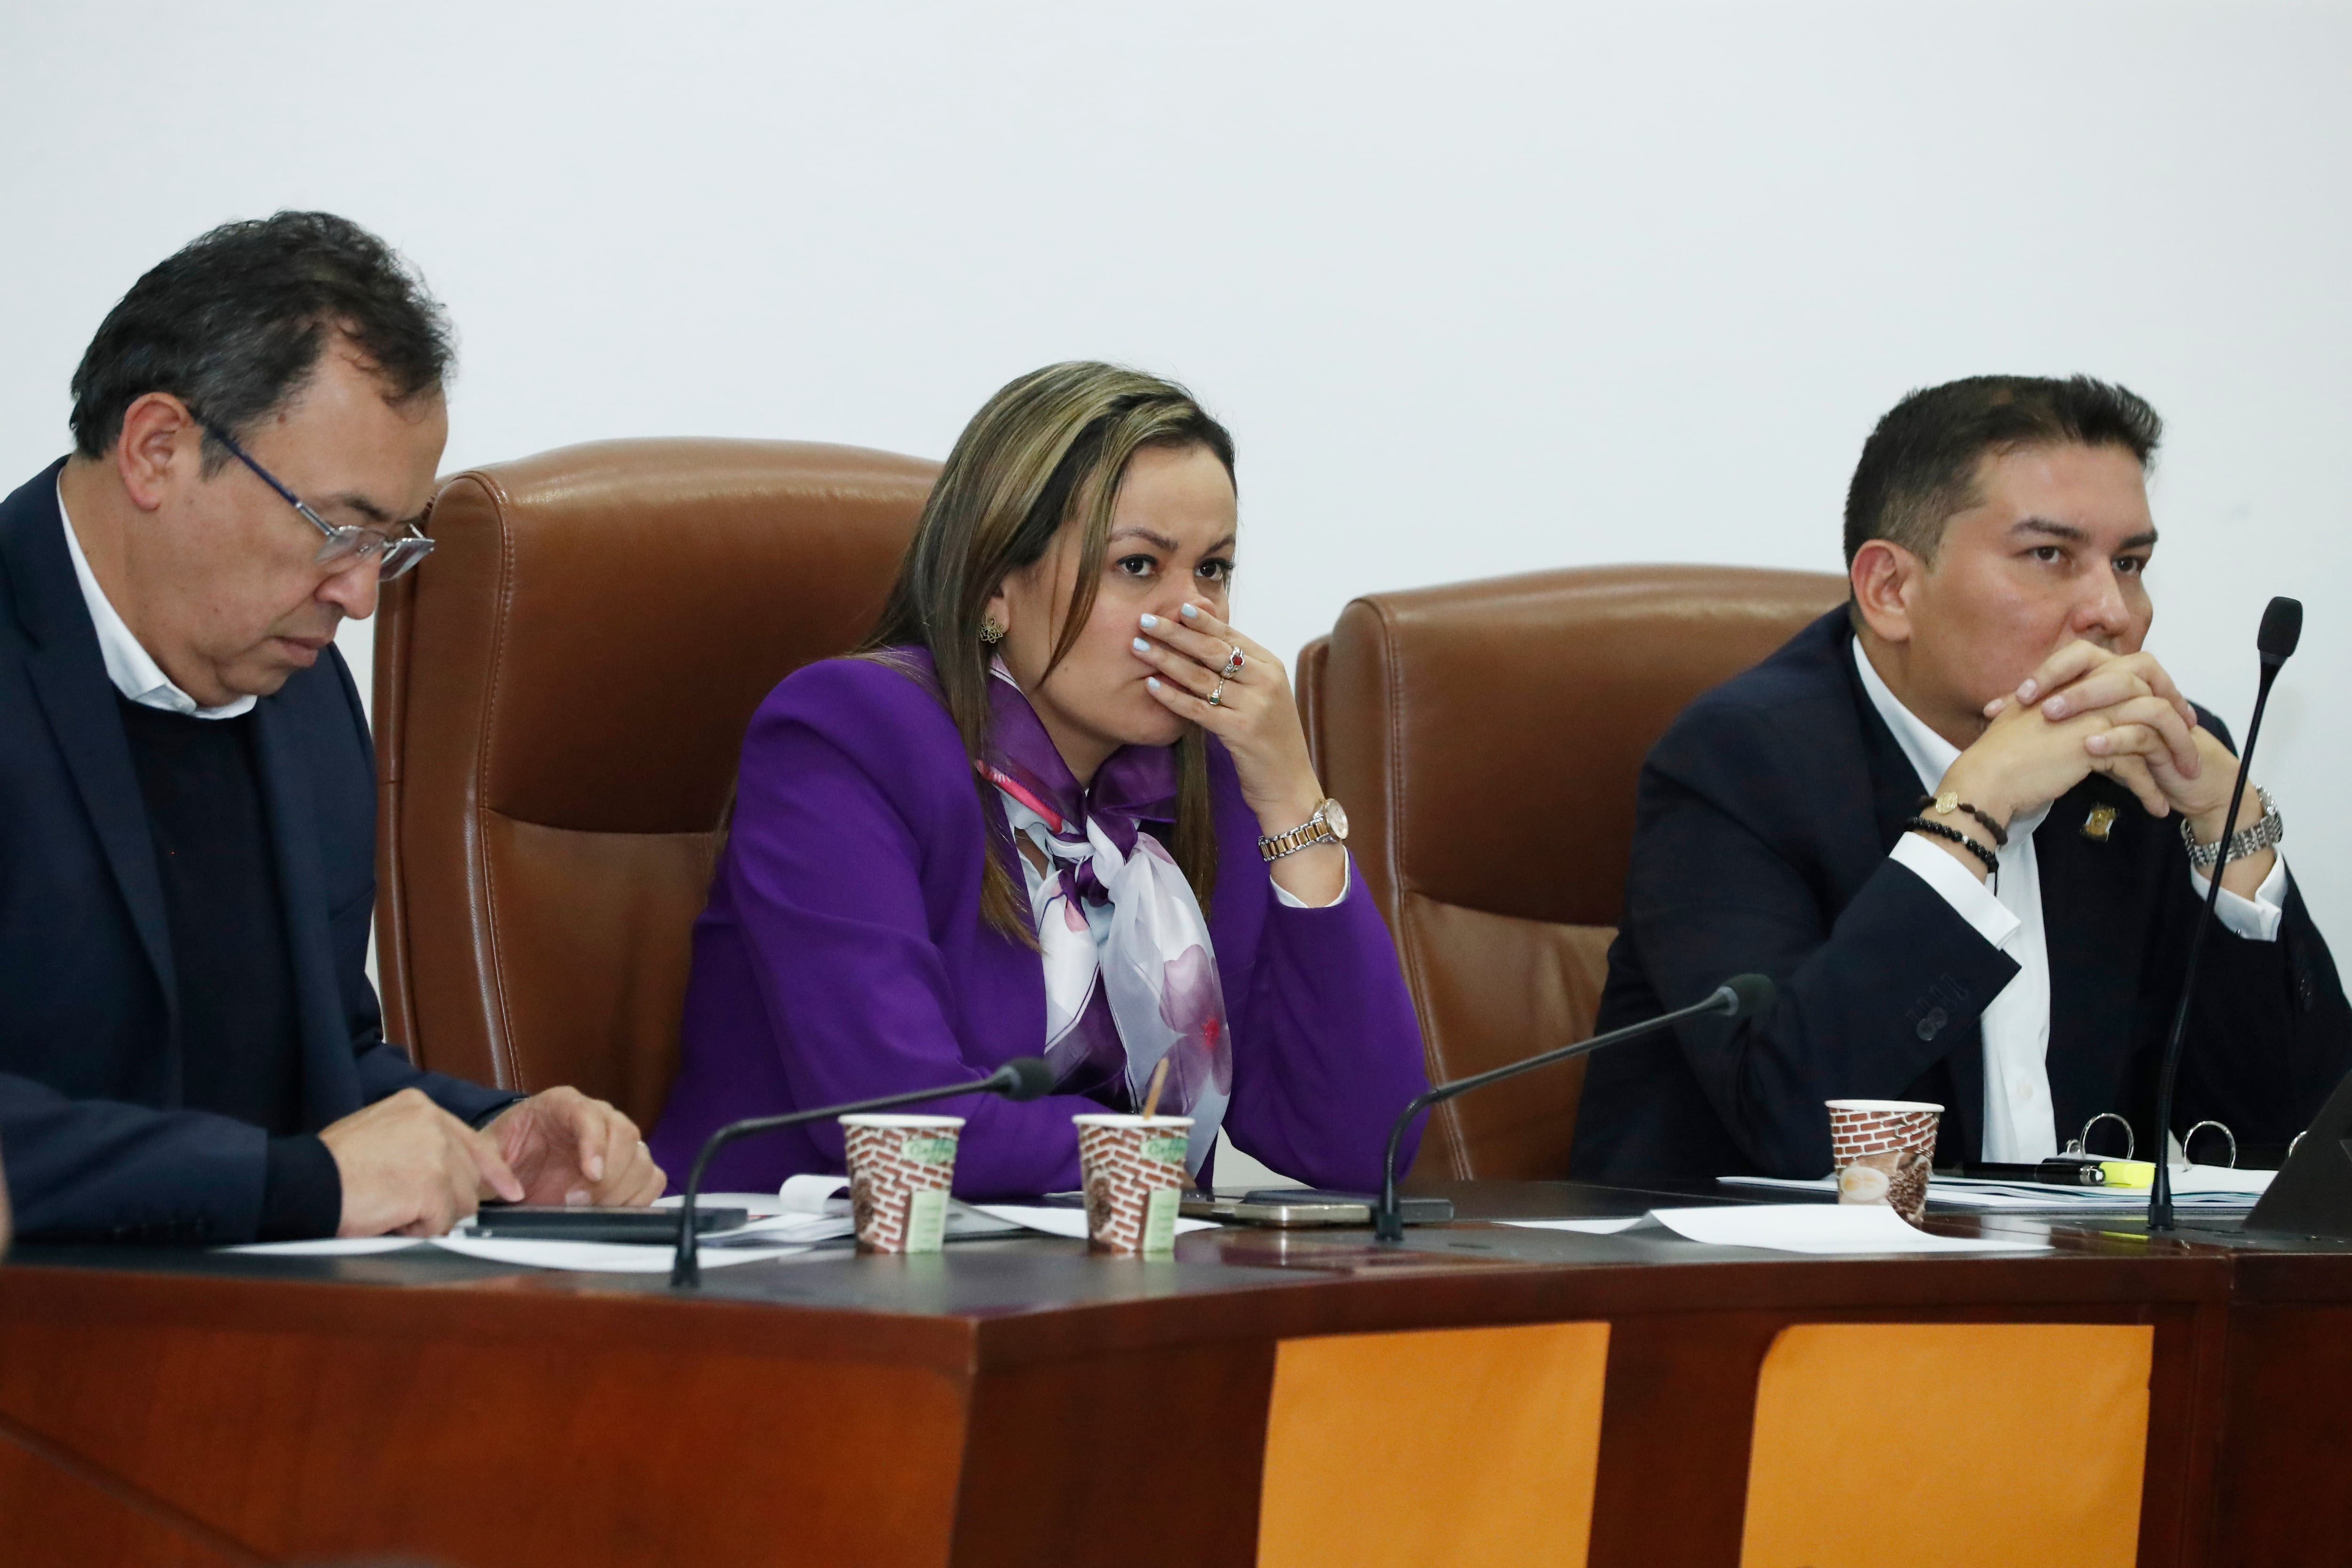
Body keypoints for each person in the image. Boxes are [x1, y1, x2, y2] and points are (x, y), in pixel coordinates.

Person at [0, 213, 662, 1243]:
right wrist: (296, 1184)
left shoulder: (300, 696)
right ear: (158, 449)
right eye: (336, 528)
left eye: (389, 545)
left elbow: (318, 1060)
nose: (359, 596)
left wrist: (487, 1134)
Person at [651, 362, 1428, 1194]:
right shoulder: (849, 735)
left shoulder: (1204, 779)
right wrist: (1160, 1162)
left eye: (1213, 569)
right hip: (798, 1280)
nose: (1191, 615)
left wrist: (1294, 802)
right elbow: (901, 1123)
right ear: (995, 588)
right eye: (1137, 566)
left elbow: (1360, 1145)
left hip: (1081, 1287)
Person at [1574, 374, 2352, 1181]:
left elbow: (2300, 1150)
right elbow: (1795, 1124)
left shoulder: (2146, 761)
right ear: (1891, 590)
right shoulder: (1741, 762)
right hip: (1759, 1295)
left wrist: (2232, 832)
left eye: (2129, 562)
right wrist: (1973, 810)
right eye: (2049, 555)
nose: (2113, 611)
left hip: (2081, 1289)